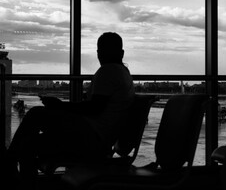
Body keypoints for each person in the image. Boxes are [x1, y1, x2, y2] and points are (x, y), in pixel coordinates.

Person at [5, 32, 135, 189]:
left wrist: (60, 106)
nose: (100, 55)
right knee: (31, 137)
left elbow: (93, 108)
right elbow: (95, 107)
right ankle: (14, 169)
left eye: (101, 51)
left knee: (35, 117)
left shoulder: (108, 71)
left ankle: (10, 165)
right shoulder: (123, 73)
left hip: (91, 138)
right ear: (121, 53)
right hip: (100, 138)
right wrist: (61, 107)